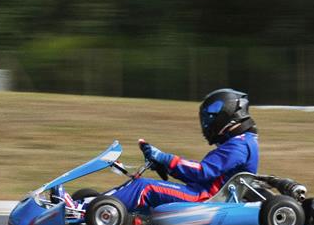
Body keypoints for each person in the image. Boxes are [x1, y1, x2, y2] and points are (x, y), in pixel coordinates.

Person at [107, 88, 259, 212]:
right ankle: (97, 203)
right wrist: (166, 166)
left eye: (210, 118)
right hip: (202, 192)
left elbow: (202, 171)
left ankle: (97, 208)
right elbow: (202, 177)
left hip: (205, 199)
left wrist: (165, 158)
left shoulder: (239, 146)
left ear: (226, 114)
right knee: (140, 183)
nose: (206, 124)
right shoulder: (242, 143)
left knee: (145, 186)